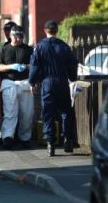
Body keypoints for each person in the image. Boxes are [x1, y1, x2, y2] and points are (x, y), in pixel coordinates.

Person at [28, 20, 78, 157]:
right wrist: (72, 78)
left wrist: (32, 81)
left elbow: (34, 66)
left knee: (48, 114)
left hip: (47, 83)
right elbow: (73, 64)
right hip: (62, 82)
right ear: (56, 30)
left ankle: (50, 142)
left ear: (45, 30)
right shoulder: (64, 47)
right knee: (66, 111)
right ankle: (68, 139)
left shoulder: (40, 47)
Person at [0, 27, 34, 149]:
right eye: (15, 37)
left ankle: (25, 138)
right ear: (10, 36)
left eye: (20, 37)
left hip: (25, 83)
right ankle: (7, 137)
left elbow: (35, 65)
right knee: (10, 112)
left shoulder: (28, 50)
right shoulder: (4, 49)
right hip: (9, 83)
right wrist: (12, 66)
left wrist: (26, 67)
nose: (18, 39)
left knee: (27, 113)